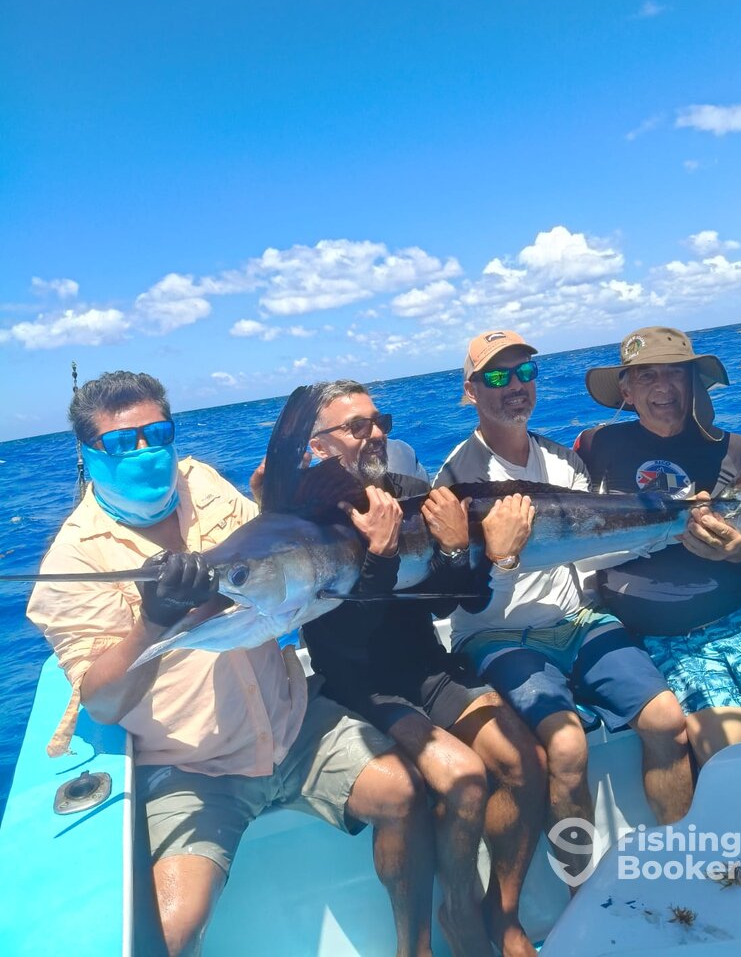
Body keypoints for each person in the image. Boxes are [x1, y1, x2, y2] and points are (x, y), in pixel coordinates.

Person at [27, 371, 438, 957]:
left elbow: (273, 551)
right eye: (120, 441)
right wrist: (155, 621)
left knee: (404, 793)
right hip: (194, 766)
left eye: (156, 433)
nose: (144, 450)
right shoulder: (69, 561)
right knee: (172, 931)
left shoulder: (200, 480)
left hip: (290, 722)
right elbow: (103, 701)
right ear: (87, 453)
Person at [434, 330, 693, 884]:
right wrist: (503, 559)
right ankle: (583, 894)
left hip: (577, 622)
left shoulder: (561, 460)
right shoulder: (455, 481)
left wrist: (673, 527)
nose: (515, 386)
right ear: (471, 391)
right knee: (568, 747)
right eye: (497, 377)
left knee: (668, 722)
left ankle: (682, 868)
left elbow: (589, 550)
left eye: (525, 373)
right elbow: (463, 598)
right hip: (497, 635)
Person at [301, 379, 545, 957]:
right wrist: (380, 557)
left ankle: (503, 913)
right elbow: (348, 634)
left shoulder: (413, 493)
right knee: (464, 780)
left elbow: (448, 605)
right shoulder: (308, 523)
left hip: (427, 668)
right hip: (357, 684)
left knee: (524, 761)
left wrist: (462, 551)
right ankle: (452, 916)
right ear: (318, 445)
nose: (375, 433)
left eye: (379, 421)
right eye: (356, 426)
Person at [574, 325, 741, 766]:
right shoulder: (594, 446)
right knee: (732, 755)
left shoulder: (738, 451)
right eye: (646, 375)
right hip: (667, 637)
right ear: (626, 390)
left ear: (694, 383)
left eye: (675, 373)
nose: (663, 386)